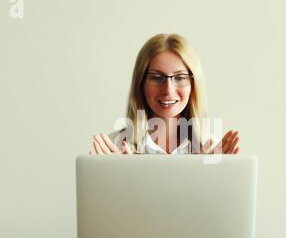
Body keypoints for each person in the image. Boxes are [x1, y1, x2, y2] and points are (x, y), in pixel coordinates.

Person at [90, 33, 239, 155]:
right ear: (141, 83)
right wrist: (120, 177)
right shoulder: (111, 148)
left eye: (180, 77)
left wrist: (211, 176)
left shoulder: (213, 151)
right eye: (156, 77)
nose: (168, 89)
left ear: (193, 86)